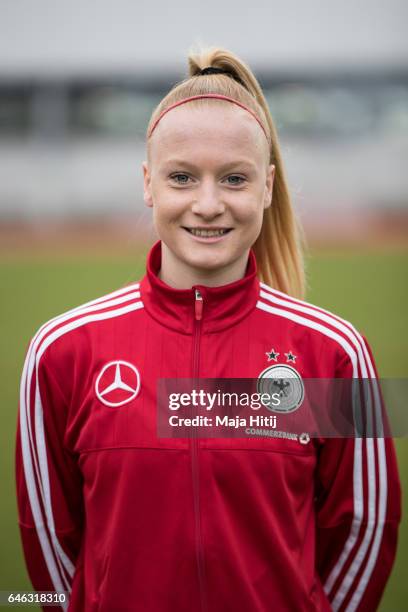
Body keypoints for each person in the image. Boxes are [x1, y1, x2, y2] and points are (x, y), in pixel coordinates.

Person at [15, 46, 401, 612]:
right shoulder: (63, 351)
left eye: (235, 179)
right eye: (181, 177)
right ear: (149, 184)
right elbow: (47, 534)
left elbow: (365, 525)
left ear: (267, 188)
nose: (208, 203)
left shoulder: (333, 353)